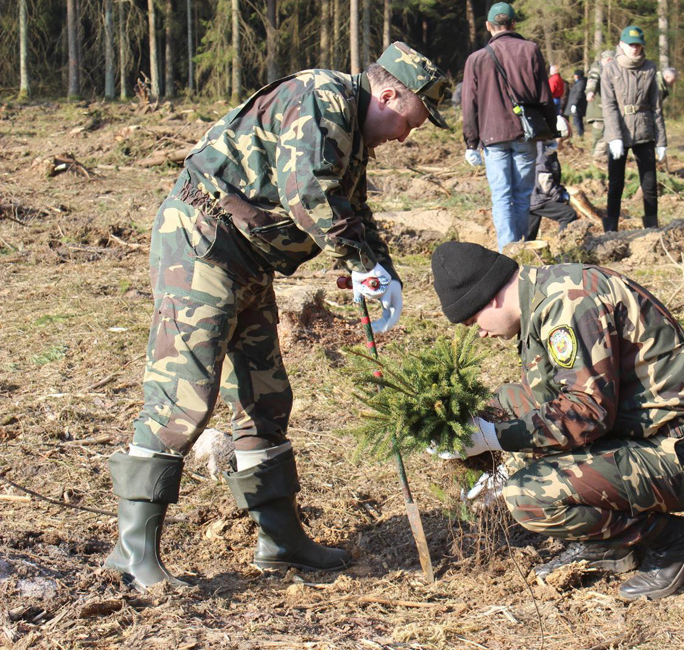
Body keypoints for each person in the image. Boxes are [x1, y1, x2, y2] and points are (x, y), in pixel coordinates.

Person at [103, 42, 450, 592]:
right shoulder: (321, 100)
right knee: (183, 392)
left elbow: (350, 206)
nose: (408, 135)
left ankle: (280, 541)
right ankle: (132, 552)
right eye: (413, 120)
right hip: (203, 244)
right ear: (389, 94)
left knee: (264, 394)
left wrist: (383, 271)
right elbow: (309, 192)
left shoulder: (351, 129)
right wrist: (359, 263)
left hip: (247, 259)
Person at [429, 241, 684, 600]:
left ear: (489, 297)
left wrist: (496, 439)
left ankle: (677, 540)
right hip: (648, 439)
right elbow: (538, 398)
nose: (478, 332)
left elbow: (587, 413)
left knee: (528, 495)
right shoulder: (543, 299)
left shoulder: (568, 302)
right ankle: (607, 545)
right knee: (509, 402)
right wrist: (472, 428)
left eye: (472, 321)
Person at [462, 2, 562, 251]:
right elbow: (544, 95)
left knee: (502, 197)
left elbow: (469, 104)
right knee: (521, 196)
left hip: (492, 136)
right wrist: (551, 133)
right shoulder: (530, 50)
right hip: (525, 134)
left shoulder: (476, 59)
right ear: (514, 24)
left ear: (488, 26)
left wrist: (471, 143)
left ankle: (508, 252)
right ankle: (520, 248)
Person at [601, 25, 667, 230]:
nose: (634, 49)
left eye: (638, 45)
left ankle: (652, 227)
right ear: (621, 44)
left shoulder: (649, 68)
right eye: (630, 45)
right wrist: (615, 137)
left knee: (649, 184)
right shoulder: (610, 69)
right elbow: (609, 105)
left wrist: (662, 141)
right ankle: (611, 228)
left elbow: (656, 106)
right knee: (616, 184)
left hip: (644, 130)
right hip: (619, 131)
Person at [527, 141, 578, 241]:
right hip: (537, 196)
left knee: (529, 233)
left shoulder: (542, 143)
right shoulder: (542, 145)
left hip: (530, 195)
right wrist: (558, 196)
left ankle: (523, 254)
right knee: (568, 215)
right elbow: (543, 177)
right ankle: (563, 249)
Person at [584, 50, 615, 160]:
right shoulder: (597, 68)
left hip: (607, 109)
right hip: (598, 109)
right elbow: (593, 79)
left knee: (608, 133)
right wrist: (590, 91)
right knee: (600, 135)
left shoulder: (609, 70)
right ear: (609, 60)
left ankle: (604, 156)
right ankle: (598, 158)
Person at [565, 69, 587, 138]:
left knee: (577, 121)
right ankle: (580, 134)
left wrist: (574, 104)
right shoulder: (579, 82)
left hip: (578, 106)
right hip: (577, 105)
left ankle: (580, 134)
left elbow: (578, 94)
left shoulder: (581, 83)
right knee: (577, 120)